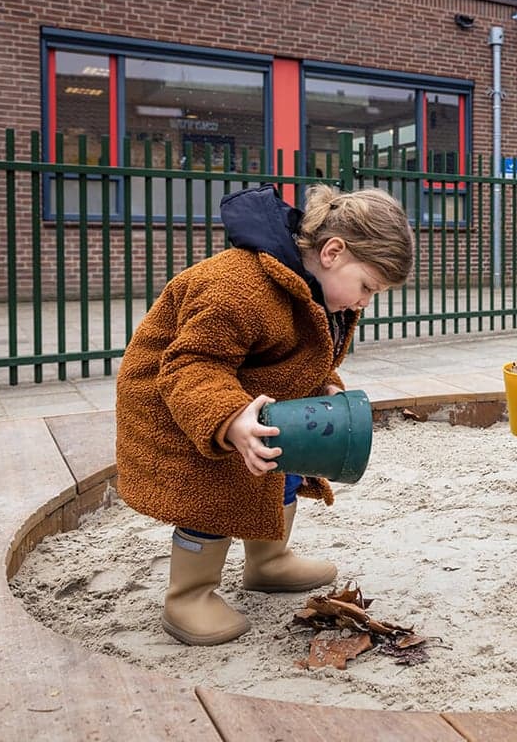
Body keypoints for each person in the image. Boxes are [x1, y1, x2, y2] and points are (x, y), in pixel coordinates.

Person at [115, 183, 413, 645]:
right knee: (213, 491)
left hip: (246, 397)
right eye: (367, 287)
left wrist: (325, 385)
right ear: (333, 251)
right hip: (176, 403)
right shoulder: (238, 289)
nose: (364, 303)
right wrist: (230, 420)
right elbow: (192, 364)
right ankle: (188, 595)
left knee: (286, 462)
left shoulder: (315, 292)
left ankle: (267, 560)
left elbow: (301, 356)